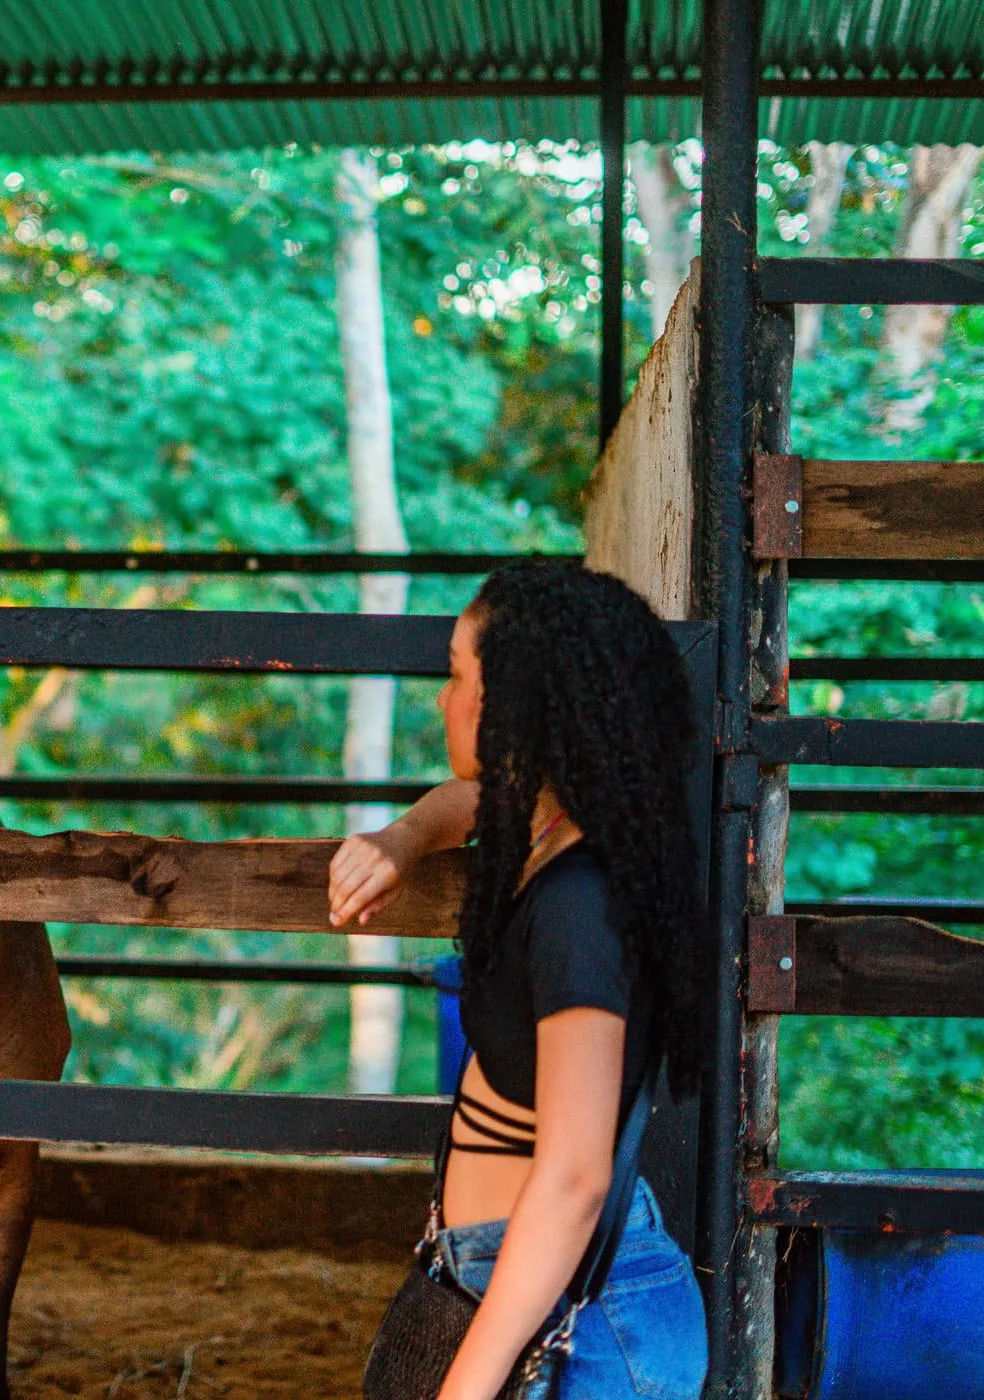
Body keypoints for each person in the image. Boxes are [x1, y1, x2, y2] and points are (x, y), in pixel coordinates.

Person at [329, 560, 709, 1400]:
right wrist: (405, 837)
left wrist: (466, 1389)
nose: (443, 698)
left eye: (459, 676)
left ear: (521, 707)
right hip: (509, 1279)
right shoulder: (554, 833)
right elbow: (470, 801)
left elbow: (574, 1177)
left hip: (591, 1333)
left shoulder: (580, 906)